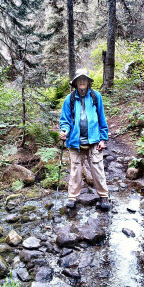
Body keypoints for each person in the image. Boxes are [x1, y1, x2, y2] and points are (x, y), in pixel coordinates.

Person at [60, 68, 110, 210]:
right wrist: (64, 131)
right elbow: (65, 121)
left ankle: (104, 196)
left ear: (88, 82)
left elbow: (101, 118)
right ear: (75, 83)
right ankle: (72, 198)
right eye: (79, 80)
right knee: (75, 170)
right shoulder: (68, 99)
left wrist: (103, 139)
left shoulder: (96, 96)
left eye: (84, 79)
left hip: (94, 140)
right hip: (75, 142)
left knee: (98, 168)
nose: (82, 82)